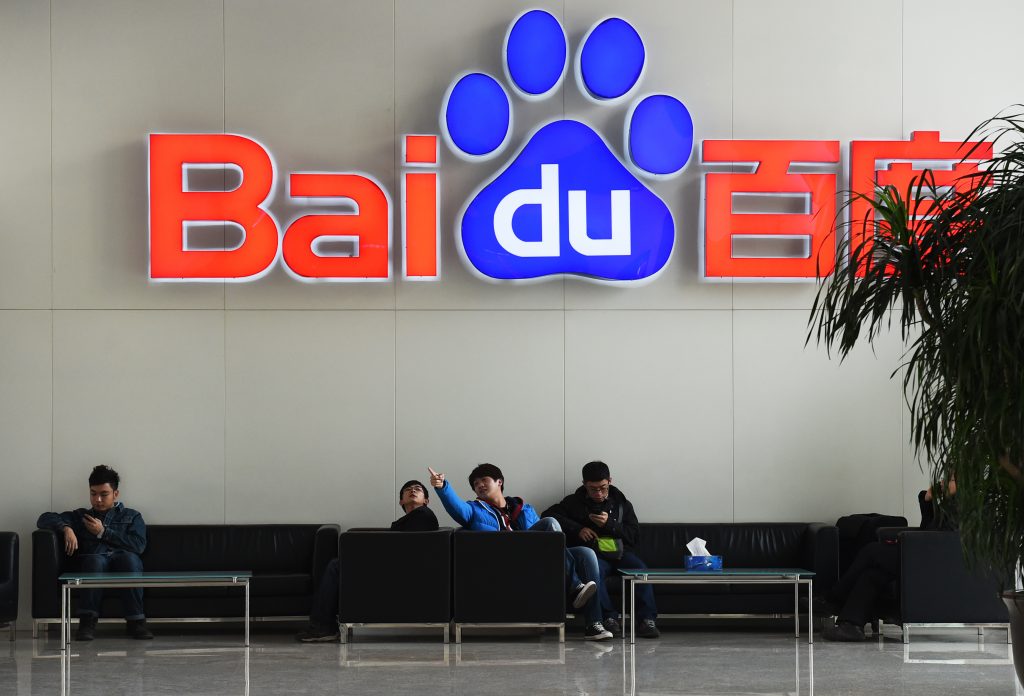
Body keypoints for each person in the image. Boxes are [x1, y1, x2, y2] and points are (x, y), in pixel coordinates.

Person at [428, 464, 611, 641]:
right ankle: (576, 586)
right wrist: (443, 487)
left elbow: (546, 542)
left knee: (586, 554)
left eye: (484, 480)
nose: (480, 485)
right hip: (506, 559)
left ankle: (594, 624)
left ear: (499, 482)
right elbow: (456, 508)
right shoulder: (474, 510)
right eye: (476, 484)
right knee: (550, 523)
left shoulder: (523, 508)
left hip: (533, 556)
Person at [297, 480, 439, 642]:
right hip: (394, 565)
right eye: (408, 489)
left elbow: (407, 548)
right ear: (401, 501)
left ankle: (323, 626)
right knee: (336, 565)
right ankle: (324, 625)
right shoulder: (410, 519)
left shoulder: (424, 515)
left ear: (426, 501)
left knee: (336, 566)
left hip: (402, 569)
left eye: (418, 489)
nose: (413, 490)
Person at [822, 479, 958, 641]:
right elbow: (927, 530)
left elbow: (946, 539)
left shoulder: (964, 508)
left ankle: (833, 598)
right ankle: (851, 625)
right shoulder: (949, 505)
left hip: (931, 563)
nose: (941, 482)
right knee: (872, 575)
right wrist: (927, 502)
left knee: (871, 551)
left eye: (949, 479)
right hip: (921, 557)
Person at [543, 460, 660, 638]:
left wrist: (610, 524)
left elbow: (634, 536)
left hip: (621, 554)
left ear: (610, 481)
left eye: (603, 488)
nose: (598, 493)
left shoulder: (622, 504)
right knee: (595, 574)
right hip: (594, 555)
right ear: (584, 485)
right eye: (593, 489)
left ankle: (646, 620)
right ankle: (609, 619)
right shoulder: (573, 502)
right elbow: (547, 516)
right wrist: (579, 528)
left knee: (640, 570)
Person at [37, 465, 153, 641]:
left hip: (124, 560)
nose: (97, 499)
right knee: (95, 561)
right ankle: (87, 622)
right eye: (93, 494)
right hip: (95, 561)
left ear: (116, 494)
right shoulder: (82, 516)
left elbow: (138, 546)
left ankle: (136, 622)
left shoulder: (132, 516)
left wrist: (103, 532)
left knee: (130, 560)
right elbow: (44, 518)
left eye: (104, 494)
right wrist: (66, 528)